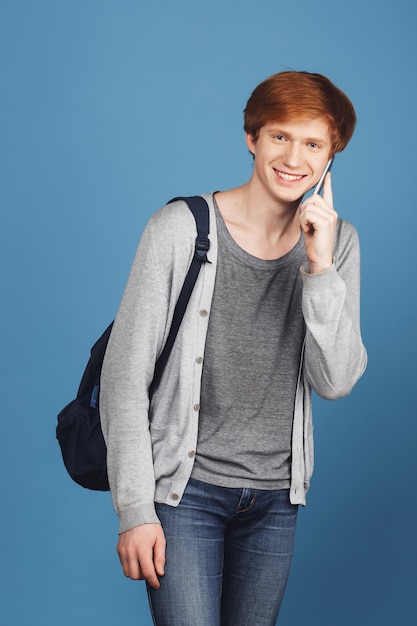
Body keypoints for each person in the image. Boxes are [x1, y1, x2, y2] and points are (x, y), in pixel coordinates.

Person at [100, 70, 367, 625]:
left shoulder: (337, 244)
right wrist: (134, 509)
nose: (294, 157)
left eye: (313, 143)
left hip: (275, 499)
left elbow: (336, 380)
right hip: (184, 494)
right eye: (280, 137)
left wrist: (319, 269)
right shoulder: (179, 229)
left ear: (331, 156)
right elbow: (123, 375)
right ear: (253, 137)